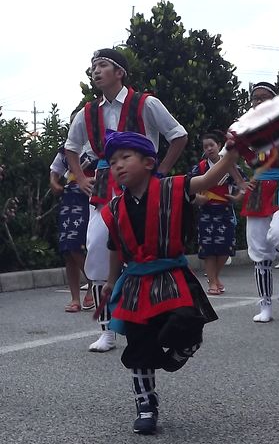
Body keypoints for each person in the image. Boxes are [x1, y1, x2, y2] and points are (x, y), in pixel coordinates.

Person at [98, 130, 240, 434]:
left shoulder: (172, 187)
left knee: (188, 324)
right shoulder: (113, 208)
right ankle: (146, 404)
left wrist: (231, 155)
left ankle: (178, 354)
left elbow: (207, 180)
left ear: (149, 162)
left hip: (170, 275)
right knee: (139, 343)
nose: (118, 165)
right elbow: (114, 247)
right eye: (112, 162)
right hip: (135, 281)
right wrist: (110, 282)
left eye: (126, 157)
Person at [64, 48, 188, 352]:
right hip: (105, 187)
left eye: (103, 65)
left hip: (145, 186)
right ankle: (107, 330)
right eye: (93, 66)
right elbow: (70, 146)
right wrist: (80, 178)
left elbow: (179, 135)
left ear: (120, 72)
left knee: (148, 251)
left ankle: (159, 316)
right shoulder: (87, 112)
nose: (96, 70)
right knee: (96, 247)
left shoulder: (147, 104)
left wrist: (160, 171)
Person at [240, 82, 279, 323]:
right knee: (260, 252)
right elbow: (231, 157)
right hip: (257, 188)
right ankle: (265, 304)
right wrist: (239, 181)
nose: (259, 102)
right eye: (255, 98)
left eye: (265, 98)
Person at [190, 131, 247, 295]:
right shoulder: (200, 168)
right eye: (205, 147)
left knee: (225, 248)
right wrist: (197, 199)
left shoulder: (230, 166)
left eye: (211, 145)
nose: (209, 149)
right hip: (206, 211)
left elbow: (244, 185)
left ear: (219, 146)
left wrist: (236, 198)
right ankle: (213, 282)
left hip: (225, 211)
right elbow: (186, 188)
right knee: (208, 247)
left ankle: (214, 277)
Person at [49, 146, 95, 312]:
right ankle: (75, 298)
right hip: (68, 199)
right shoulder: (66, 150)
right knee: (67, 249)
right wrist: (54, 183)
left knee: (78, 245)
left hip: (90, 199)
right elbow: (55, 170)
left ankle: (93, 282)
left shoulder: (97, 146)